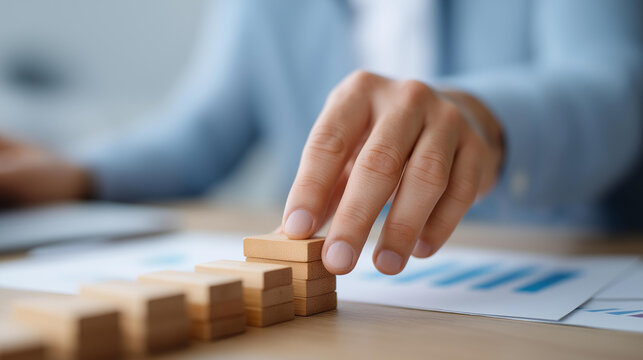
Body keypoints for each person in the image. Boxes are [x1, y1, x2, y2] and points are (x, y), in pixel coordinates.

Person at [0, 0, 641, 276]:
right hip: (354, 307)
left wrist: (480, 119)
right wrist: (78, 176)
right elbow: (196, 138)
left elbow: (614, 90)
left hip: (556, 275)